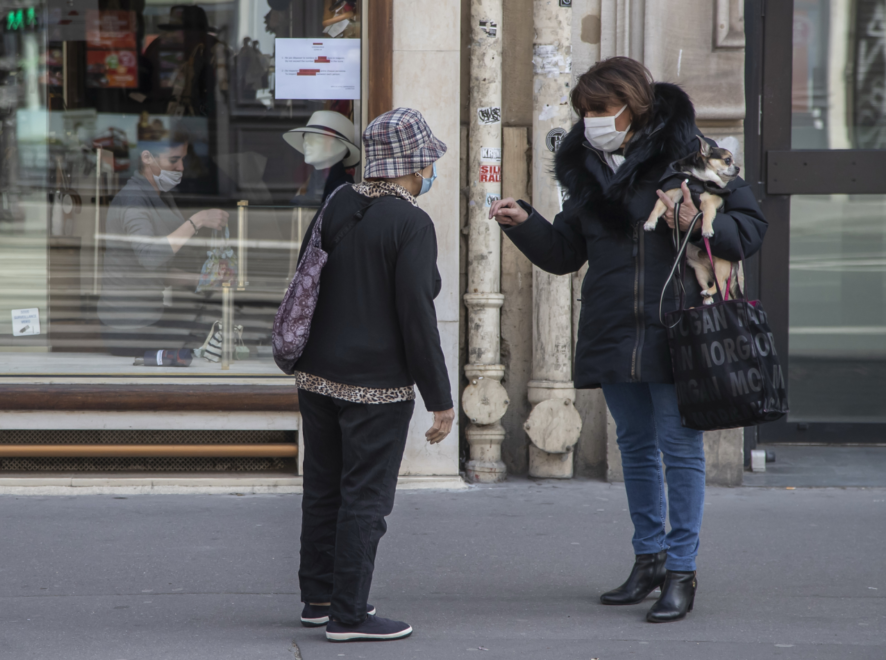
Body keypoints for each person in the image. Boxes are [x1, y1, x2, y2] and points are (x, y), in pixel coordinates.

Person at [490, 58, 767, 623]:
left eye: (599, 110)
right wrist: (525, 223)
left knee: (680, 449)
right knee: (635, 448)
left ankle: (682, 570)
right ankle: (649, 560)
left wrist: (691, 217)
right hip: (615, 327)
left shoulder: (694, 154)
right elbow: (567, 251)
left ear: (632, 106)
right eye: (584, 112)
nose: (591, 121)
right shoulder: (590, 169)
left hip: (680, 328)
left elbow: (749, 231)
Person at [292, 108, 455, 642]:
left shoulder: (339, 201)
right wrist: (440, 397)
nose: (428, 170)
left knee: (323, 490)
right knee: (365, 498)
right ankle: (348, 616)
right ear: (412, 164)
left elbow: (306, 274)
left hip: (316, 373)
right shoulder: (411, 223)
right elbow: (416, 312)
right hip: (376, 385)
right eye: (426, 161)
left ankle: (318, 600)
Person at [97, 129, 228, 357]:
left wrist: (205, 281)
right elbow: (150, 257)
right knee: (203, 344)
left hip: (150, 313)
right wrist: (198, 220)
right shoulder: (133, 201)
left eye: (183, 160)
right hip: (129, 325)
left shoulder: (161, 195)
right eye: (174, 160)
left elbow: (157, 269)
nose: (181, 168)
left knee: (209, 330)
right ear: (147, 158)